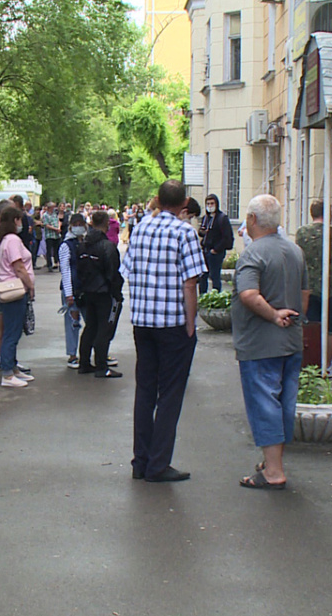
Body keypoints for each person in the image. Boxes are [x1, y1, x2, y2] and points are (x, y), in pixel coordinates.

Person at [120, 180, 204, 482]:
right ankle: (158, 464)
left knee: (145, 390)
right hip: (172, 323)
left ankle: (140, 462)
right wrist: (191, 323)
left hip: (143, 322)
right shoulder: (185, 233)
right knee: (170, 393)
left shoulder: (140, 227)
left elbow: (127, 270)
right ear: (184, 204)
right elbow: (190, 282)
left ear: (158, 199)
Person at [230, 194, 309, 490]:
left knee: (264, 403)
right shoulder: (294, 250)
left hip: (260, 344)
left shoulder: (253, 254)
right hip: (291, 341)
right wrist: (292, 319)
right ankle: (273, 462)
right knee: (284, 403)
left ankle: (273, 472)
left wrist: (274, 315)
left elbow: (248, 294)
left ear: (251, 220)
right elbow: (304, 295)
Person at [294, 200, 332, 375]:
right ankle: (327, 365)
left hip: (308, 289)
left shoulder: (301, 233)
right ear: (328, 213)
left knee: (310, 327)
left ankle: (310, 365)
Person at [74, 210, 124, 378]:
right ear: (107, 224)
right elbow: (113, 271)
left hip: (88, 290)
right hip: (104, 292)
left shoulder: (82, 245)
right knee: (104, 328)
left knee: (91, 326)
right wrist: (117, 293)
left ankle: (85, 363)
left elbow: (79, 269)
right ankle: (102, 366)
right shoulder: (107, 246)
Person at [0, 206, 35, 388]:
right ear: (15, 220)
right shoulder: (13, 240)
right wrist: (30, 286)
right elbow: (18, 267)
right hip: (15, 289)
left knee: (12, 330)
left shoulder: (4, 240)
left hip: (7, 288)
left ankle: (13, 367)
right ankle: (7, 373)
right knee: (12, 332)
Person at [58, 213, 86, 369]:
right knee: (73, 323)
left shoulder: (87, 243)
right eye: (75, 223)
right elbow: (65, 270)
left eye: (81, 223)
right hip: (72, 290)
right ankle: (72, 354)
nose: (78, 226)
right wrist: (69, 293)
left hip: (87, 289)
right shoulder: (66, 245)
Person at [198, 194, 235, 294]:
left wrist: (216, 249)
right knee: (203, 275)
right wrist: (202, 232)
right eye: (208, 204)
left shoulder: (222, 218)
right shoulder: (205, 218)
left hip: (216, 251)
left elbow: (227, 237)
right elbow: (201, 232)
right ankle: (203, 295)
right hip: (205, 249)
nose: (210, 206)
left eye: (212, 203)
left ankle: (216, 295)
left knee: (215, 276)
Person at [41, 202, 61, 272]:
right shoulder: (45, 215)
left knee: (57, 250)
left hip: (56, 235)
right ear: (49, 208)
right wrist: (55, 229)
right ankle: (49, 264)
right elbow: (46, 225)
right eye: (53, 207)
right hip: (49, 235)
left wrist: (58, 227)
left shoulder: (55, 214)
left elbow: (58, 221)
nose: (54, 208)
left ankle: (57, 263)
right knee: (49, 250)